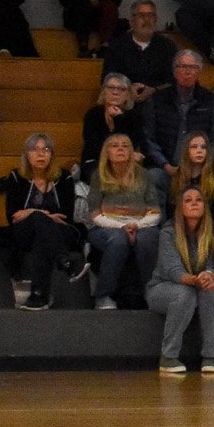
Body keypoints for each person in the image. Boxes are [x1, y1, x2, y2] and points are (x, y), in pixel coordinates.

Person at [0, 132, 78, 311]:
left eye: (46, 150)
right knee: (39, 220)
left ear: (52, 155)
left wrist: (31, 213)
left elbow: (66, 216)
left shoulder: (64, 178)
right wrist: (38, 214)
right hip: (24, 232)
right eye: (35, 150)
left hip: (59, 231)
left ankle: (38, 296)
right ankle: (64, 260)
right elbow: (13, 216)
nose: (41, 154)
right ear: (27, 155)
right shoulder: (17, 177)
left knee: (42, 239)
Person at [148, 185, 214, 374]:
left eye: (198, 200)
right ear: (180, 207)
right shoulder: (168, 232)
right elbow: (172, 270)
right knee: (185, 294)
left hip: (198, 285)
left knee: (212, 291)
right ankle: (168, 357)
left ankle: (210, 356)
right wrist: (195, 280)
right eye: (188, 200)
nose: (194, 204)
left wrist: (209, 275)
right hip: (163, 288)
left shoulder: (213, 231)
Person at [82, 131, 163, 309]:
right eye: (115, 146)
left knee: (148, 239)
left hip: (142, 225)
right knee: (119, 240)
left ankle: (151, 293)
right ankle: (103, 295)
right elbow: (94, 213)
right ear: (106, 152)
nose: (120, 149)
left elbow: (155, 211)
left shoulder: (144, 175)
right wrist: (122, 226)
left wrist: (136, 225)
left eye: (125, 146)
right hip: (106, 225)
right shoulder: (98, 176)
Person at [146, 49, 214, 172]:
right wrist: (164, 164)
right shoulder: (157, 100)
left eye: (193, 67)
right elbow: (148, 139)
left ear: (199, 71)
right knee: (152, 177)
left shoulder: (211, 100)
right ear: (174, 71)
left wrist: (201, 164)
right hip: (164, 167)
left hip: (201, 167)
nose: (188, 72)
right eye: (183, 66)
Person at [102, 0, 180, 99]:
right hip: (124, 101)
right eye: (142, 15)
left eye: (151, 15)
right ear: (132, 20)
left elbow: (174, 81)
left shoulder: (168, 46)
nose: (147, 20)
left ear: (155, 20)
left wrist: (154, 90)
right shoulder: (117, 46)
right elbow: (108, 78)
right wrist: (127, 89)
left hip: (159, 102)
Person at [79, 74, 154, 174]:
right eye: (111, 88)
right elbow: (93, 147)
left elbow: (131, 144)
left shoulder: (134, 117)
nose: (115, 92)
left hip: (126, 163)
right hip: (97, 161)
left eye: (121, 89)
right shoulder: (93, 115)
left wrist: (118, 119)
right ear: (103, 92)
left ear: (128, 95)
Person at [172, 131, 214, 234]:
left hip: (209, 228)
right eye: (194, 147)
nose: (199, 151)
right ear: (186, 151)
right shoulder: (177, 177)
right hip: (182, 228)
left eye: (203, 147)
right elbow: (172, 208)